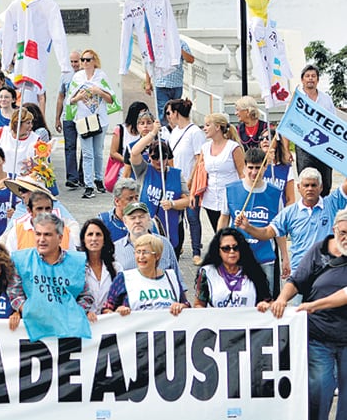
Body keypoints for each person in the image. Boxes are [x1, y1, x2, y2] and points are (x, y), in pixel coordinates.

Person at [268, 209, 347, 420]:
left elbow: (345, 294)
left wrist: (314, 305)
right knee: (319, 391)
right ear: (334, 230)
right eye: (343, 233)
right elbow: (297, 280)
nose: (346, 239)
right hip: (319, 336)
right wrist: (282, 299)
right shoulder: (319, 250)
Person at [236, 168, 347, 276]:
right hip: (300, 274)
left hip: (327, 272)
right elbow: (267, 233)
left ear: (321, 187)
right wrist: (248, 227)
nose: (310, 189)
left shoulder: (332, 203)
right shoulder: (289, 213)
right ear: (299, 187)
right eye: (306, 185)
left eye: (314, 185)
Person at [7, 213, 96, 340]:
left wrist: (72, 313)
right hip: (33, 332)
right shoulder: (21, 260)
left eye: (47, 234)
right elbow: (14, 293)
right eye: (38, 234)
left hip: (68, 333)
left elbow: (86, 296)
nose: (41, 239)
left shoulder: (76, 262)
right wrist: (28, 311)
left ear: (60, 238)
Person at [218, 147, 287, 293]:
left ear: (265, 167)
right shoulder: (231, 190)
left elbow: (279, 230)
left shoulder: (274, 193)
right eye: (250, 167)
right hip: (236, 256)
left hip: (264, 256)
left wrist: (285, 257)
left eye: (258, 168)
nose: (254, 172)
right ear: (244, 167)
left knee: (264, 300)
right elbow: (223, 219)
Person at [67, 48, 116, 198]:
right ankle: (88, 185)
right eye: (83, 59)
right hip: (83, 120)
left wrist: (99, 92)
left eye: (88, 59)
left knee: (98, 152)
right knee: (87, 153)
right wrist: (79, 97)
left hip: (100, 119)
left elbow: (111, 98)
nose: (85, 62)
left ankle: (98, 179)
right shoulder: (77, 77)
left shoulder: (101, 76)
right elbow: (70, 100)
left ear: (94, 61)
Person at [162, 97, 207, 258]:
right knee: (177, 214)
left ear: (176, 113)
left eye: (169, 112)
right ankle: (178, 247)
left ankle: (196, 250)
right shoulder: (174, 132)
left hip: (191, 180)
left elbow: (199, 158)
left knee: (192, 216)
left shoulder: (195, 132)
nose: (168, 116)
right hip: (176, 179)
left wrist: (191, 179)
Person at [103, 233, 190, 316]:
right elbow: (106, 309)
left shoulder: (170, 278)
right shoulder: (123, 279)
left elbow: (186, 305)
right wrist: (117, 311)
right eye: (138, 252)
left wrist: (181, 306)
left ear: (157, 256)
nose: (141, 256)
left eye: (145, 252)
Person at [194, 227, 271, 308]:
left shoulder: (253, 271)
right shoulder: (207, 273)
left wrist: (266, 305)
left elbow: (269, 301)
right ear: (218, 251)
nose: (232, 252)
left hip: (248, 320)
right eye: (226, 248)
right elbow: (198, 304)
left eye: (235, 248)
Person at [294, 64, 335, 196]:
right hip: (304, 146)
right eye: (307, 76)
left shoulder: (326, 100)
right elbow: (289, 123)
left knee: (326, 183)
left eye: (313, 76)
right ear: (302, 80)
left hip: (324, 146)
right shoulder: (297, 99)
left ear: (317, 80)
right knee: (307, 182)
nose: (310, 79)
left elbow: (333, 124)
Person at [112, 201, 181, 273]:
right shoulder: (116, 249)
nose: (137, 221)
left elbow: (177, 277)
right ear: (125, 221)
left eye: (141, 217)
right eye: (132, 218)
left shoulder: (164, 244)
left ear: (149, 219)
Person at [144, 39, 194, 122]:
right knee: (164, 113)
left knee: (176, 112)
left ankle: (174, 131)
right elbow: (149, 63)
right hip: (161, 84)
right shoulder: (156, 43)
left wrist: (179, 49)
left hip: (177, 84)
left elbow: (190, 60)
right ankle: (165, 132)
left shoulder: (180, 43)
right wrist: (148, 83)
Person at [78, 218, 121, 315]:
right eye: (90, 234)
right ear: (83, 239)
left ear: (104, 239)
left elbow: (121, 296)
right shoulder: (76, 267)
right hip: (84, 323)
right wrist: (85, 312)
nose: (94, 238)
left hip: (110, 324)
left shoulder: (116, 268)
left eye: (98, 234)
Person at [54, 50, 83, 188]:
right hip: (68, 115)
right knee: (70, 146)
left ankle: (83, 176)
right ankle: (72, 177)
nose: (73, 64)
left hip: (83, 116)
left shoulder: (87, 75)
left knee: (86, 147)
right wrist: (57, 118)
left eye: (76, 61)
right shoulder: (65, 75)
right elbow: (60, 97)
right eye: (71, 62)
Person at [98, 178, 140, 242]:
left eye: (136, 198)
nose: (135, 202)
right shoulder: (103, 221)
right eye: (130, 199)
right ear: (117, 201)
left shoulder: (144, 221)